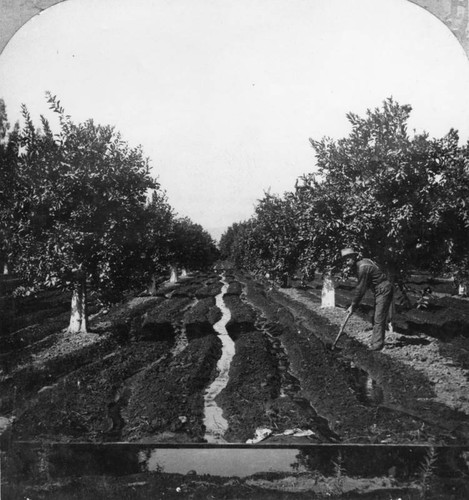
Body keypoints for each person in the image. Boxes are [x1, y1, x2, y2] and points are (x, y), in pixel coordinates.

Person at [341, 248, 393, 351]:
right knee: (376, 316)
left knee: (378, 317)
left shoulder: (363, 267)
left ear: (353, 257)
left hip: (383, 289)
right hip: (380, 289)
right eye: (345, 260)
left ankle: (377, 345)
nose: (346, 262)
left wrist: (353, 305)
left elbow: (360, 289)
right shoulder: (364, 262)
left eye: (347, 259)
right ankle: (375, 342)